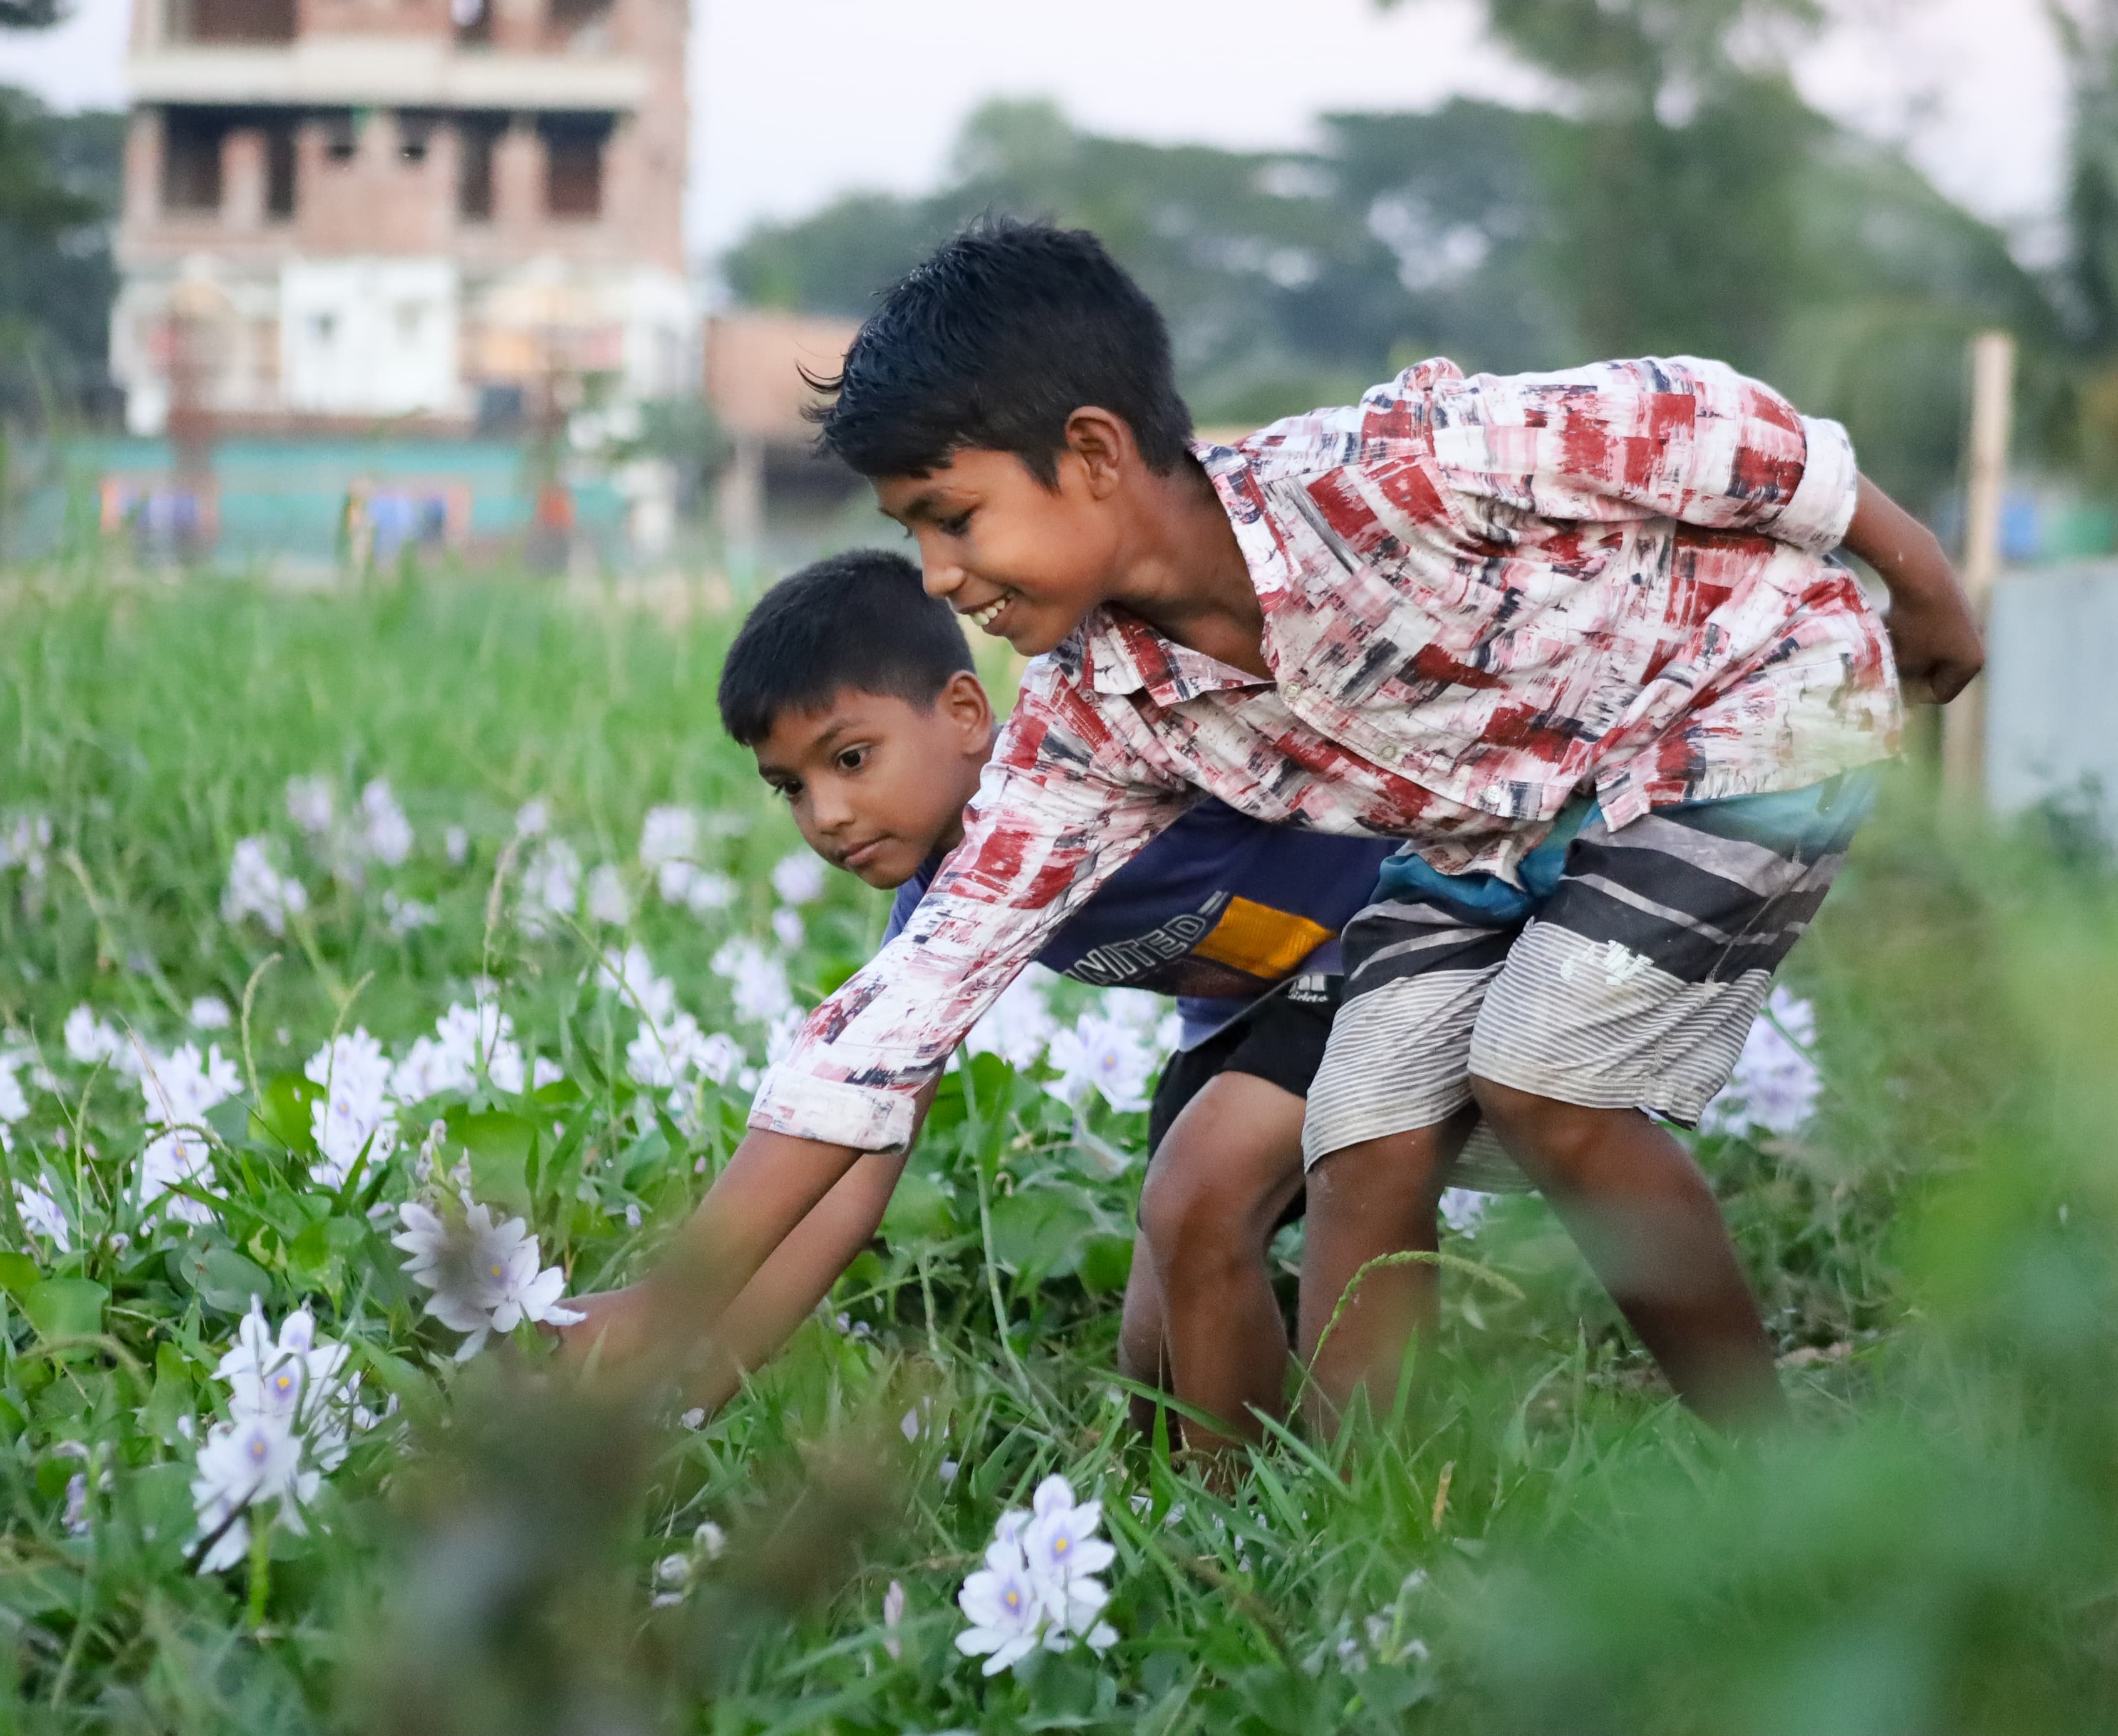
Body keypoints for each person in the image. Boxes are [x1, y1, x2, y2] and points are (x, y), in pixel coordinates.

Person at [568, 219, 1984, 1435]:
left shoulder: (1379, 474)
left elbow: (1713, 426)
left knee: (1544, 1070)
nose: (941, 573)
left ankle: (1771, 1463)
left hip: (1740, 707)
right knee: (1358, 1129)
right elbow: (902, 1010)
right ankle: (1377, 1531)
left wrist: (1920, 592)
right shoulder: (1093, 718)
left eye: (954, 518)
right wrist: (675, 1297)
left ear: (1093, 452)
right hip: (1492, 830)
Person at [665, 547, 1392, 1442]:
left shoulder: (1103, 760)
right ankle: (1248, 1491)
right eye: (793, 790)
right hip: (1234, 1017)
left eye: (851, 758)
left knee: (1194, 1198)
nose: (828, 815)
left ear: (967, 712)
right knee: (1156, 1363)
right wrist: (686, 1382)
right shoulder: (938, 923)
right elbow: (850, 1189)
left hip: (1381, 947)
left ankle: (1241, 1532)